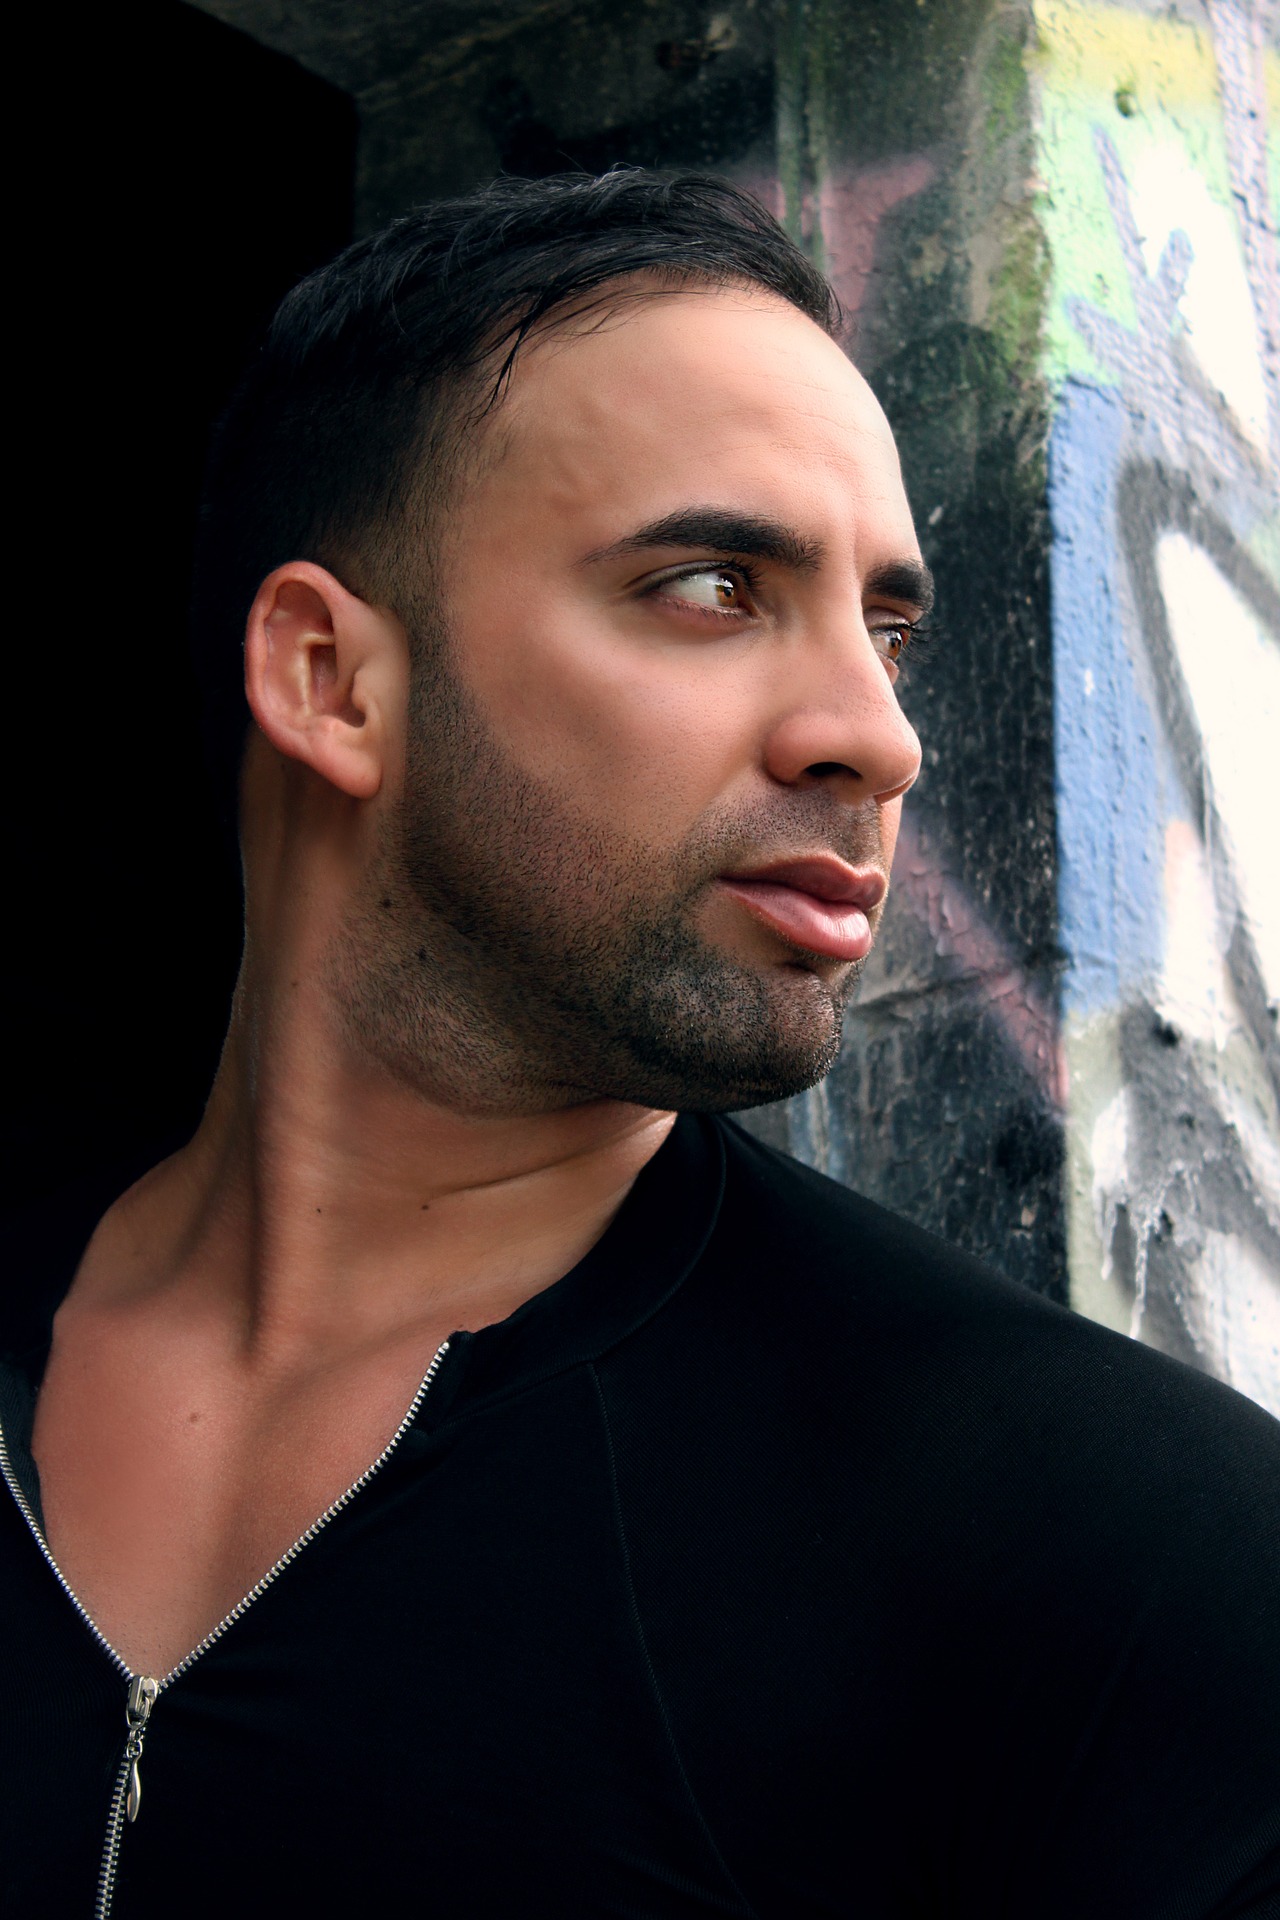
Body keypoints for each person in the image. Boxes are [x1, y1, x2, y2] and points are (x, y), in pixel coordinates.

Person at [2, 171, 1277, 1920]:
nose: (878, 736)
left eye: (888, 630)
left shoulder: (1119, 1548)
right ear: (328, 679)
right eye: (710, 585)